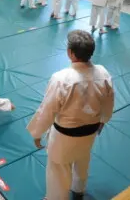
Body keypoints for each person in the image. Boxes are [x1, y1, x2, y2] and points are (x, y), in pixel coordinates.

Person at [27, 30, 114, 200]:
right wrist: (103, 120)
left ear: (70, 53)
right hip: (90, 131)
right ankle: (79, 189)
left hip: (64, 135)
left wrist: (37, 133)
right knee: (82, 159)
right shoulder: (103, 73)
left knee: (58, 168)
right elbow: (109, 101)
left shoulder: (61, 78)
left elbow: (47, 109)